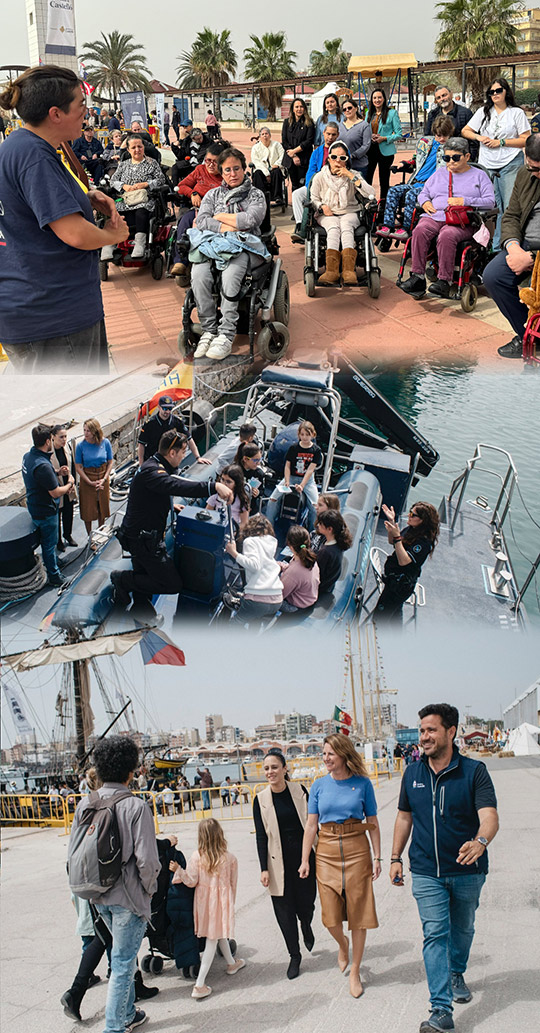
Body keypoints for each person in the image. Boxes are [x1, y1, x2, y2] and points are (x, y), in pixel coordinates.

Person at [0, 65, 128, 373]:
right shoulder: (35, 157)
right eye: (81, 106)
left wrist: (85, 196)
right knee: (73, 416)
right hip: (55, 319)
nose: (87, 113)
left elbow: (28, 206)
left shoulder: (18, 146)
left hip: (36, 310)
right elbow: (75, 234)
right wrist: (115, 235)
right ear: (56, 114)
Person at [390, 704, 499, 1033]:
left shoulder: (474, 771)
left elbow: (489, 816)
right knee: (434, 933)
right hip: (425, 869)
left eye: (431, 730)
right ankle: (441, 1010)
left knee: (462, 929)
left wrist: (481, 841)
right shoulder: (412, 773)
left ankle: (456, 972)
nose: (424, 736)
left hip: (468, 869)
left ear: (451, 732)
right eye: (421, 730)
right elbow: (404, 817)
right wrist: (395, 857)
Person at [68, 735, 161, 1033]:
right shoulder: (135, 807)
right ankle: (113, 1028)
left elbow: (73, 851)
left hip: (97, 895)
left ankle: (128, 1014)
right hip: (128, 898)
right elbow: (147, 861)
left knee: (123, 958)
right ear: (130, 771)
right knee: (122, 964)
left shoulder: (86, 803)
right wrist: (149, 890)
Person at [110, 430, 232, 616]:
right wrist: (212, 487)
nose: (185, 455)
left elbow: (155, 493)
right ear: (172, 453)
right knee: (171, 584)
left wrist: (171, 505)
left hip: (142, 535)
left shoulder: (157, 465)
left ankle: (141, 607)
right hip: (142, 539)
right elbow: (174, 485)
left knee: (145, 574)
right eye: (183, 452)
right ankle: (122, 580)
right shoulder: (153, 471)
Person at [299, 733, 381, 999]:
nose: (326, 758)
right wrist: (304, 860)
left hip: (358, 849)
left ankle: (355, 969)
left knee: (359, 912)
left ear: (344, 755)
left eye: (330, 754)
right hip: (327, 851)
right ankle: (342, 943)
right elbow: (311, 825)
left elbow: (373, 822)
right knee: (330, 917)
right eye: (324, 754)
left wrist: (378, 857)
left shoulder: (363, 784)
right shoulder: (319, 785)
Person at [190, 147, 268, 361]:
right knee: (198, 273)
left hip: (247, 247)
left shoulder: (256, 194)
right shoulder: (213, 194)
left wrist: (220, 217)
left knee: (232, 272)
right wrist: (228, 226)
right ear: (221, 172)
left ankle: (226, 333)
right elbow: (202, 221)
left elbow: (251, 221)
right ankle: (209, 329)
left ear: (244, 169)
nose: (232, 174)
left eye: (236, 169)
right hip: (214, 246)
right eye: (227, 170)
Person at [398, 138, 495, 300]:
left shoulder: (479, 176)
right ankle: (418, 277)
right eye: (446, 158)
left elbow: (490, 202)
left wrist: (465, 201)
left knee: (446, 234)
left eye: (455, 157)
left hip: (462, 220)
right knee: (420, 229)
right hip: (435, 215)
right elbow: (424, 193)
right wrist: (425, 201)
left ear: (467, 156)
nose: (450, 162)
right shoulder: (440, 173)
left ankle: (444, 280)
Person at [253, 749, 316, 979]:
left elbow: (312, 823)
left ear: (285, 769)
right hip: (277, 864)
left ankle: (306, 924)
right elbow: (261, 836)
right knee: (284, 912)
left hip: (304, 858)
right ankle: (294, 955)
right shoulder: (260, 800)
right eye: (267, 768)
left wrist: (307, 857)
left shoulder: (300, 791)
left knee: (307, 904)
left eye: (274, 767)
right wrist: (263, 869)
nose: (270, 772)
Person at [170, 818, 245, 999]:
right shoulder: (230, 859)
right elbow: (233, 884)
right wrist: (230, 903)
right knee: (213, 938)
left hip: (204, 905)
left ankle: (231, 963)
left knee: (217, 934)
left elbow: (191, 881)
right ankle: (199, 984)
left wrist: (179, 871)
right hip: (222, 903)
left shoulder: (197, 856)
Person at [482, 132, 540, 358]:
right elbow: (511, 216)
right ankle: (528, 332)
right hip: (524, 244)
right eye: (532, 167)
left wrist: (534, 258)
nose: (535, 174)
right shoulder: (525, 174)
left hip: (535, 253)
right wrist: (513, 247)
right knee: (493, 276)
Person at [462, 77, 530, 250]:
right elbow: (466, 131)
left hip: (511, 162)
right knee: (492, 207)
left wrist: (501, 142)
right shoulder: (483, 112)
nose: (495, 94)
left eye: (498, 90)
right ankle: (491, 245)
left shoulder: (516, 112)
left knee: (509, 207)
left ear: (506, 91)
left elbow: (526, 139)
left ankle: (505, 245)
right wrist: (479, 137)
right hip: (487, 164)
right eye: (491, 92)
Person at [378, 115, 454, 238]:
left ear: (450, 134)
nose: (441, 139)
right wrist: (404, 164)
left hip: (431, 186)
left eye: (444, 136)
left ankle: (406, 228)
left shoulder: (451, 149)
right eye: (438, 135)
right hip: (416, 181)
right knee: (392, 191)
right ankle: (388, 225)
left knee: (411, 194)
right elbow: (416, 159)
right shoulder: (426, 142)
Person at [310, 141, 373, 285]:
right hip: (327, 213)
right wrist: (322, 206)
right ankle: (331, 271)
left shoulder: (354, 175)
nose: (338, 161)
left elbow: (371, 194)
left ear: (347, 160)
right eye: (334, 157)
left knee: (346, 225)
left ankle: (348, 270)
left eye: (342, 158)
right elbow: (313, 198)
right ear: (328, 159)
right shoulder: (320, 177)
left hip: (350, 211)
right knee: (333, 227)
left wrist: (351, 176)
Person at [22, 424, 75, 586]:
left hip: (34, 506)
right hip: (46, 510)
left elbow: (41, 476)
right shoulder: (43, 466)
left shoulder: (28, 457)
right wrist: (69, 484)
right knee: (49, 543)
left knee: (48, 543)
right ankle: (54, 576)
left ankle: (53, 560)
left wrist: (58, 473)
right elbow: (55, 492)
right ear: (47, 441)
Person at [101, 134, 166, 261]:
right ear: (128, 150)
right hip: (126, 198)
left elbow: (161, 179)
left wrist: (146, 184)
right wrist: (124, 186)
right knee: (114, 212)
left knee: (141, 212)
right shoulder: (123, 165)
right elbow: (113, 181)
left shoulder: (152, 163)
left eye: (140, 146)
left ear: (143, 148)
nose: (137, 150)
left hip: (144, 199)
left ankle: (140, 244)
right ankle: (110, 243)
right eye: (134, 147)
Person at [374, 500, 440, 622]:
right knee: (394, 618)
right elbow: (392, 542)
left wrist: (397, 538)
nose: (409, 516)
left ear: (422, 520)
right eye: (410, 512)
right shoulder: (410, 529)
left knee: (379, 618)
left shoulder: (423, 543)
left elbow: (404, 561)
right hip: (392, 579)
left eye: (413, 515)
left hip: (399, 586)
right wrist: (392, 524)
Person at [169, 144, 225, 277]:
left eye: (215, 162)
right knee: (183, 222)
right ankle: (180, 261)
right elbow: (182, 186)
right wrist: (193, 193)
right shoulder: (200, 170)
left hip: (219, 212)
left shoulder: (227, 174)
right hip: (198, 209)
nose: (210, 165)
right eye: (208, 161)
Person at [224, 514, 283, 623]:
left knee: (235, 623)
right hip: (277, 599)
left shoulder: (250, 541)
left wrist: (234, 553)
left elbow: (255, 566)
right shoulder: (272, 542)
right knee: (254, 621)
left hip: (259, 600)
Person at [265, 422, 322, 530]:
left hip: (307, 481)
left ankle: (312, 531)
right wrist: (287, 481)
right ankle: (269, 528)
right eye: (302, 434)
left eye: (307, 434)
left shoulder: (316, 451)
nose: (304, 437)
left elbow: (310, 470)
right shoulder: (293, 448)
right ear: (299, 435)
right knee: (272, 499)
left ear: (313, 435)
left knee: (315, 507)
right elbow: (287, 466)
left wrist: (302, 485)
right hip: (291, 478)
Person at [291, 122, 340, 242]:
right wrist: (310, 187)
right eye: (328, 134)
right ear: (323, 133)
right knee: (297, 194)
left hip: (334, 187)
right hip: (317, 185)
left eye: (333, 135)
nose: (330, 137)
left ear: (337, 135)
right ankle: (300, 225)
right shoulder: (317, 152)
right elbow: (310, 172)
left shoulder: (341, 151)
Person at [137, 395, 211, 466]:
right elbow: (141, 444)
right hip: (152, 456)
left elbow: (189, 438)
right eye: (165, 409)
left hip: (168, 458)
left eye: (170, 409)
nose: (168, 412)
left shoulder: (176, 422)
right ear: (159, 407)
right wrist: (141, 464)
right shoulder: (150, 423)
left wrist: (198, 457)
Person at [74, 419, 113, 538]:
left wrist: (105, 479)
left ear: (95, 431)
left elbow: (110, 462)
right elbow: (78, 467)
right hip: (87, 479)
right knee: (88, 510)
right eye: (84, 430)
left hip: (102, 477)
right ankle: (90, 536)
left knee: (102, 508)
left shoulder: (105, 443)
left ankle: (100, 534)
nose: (86, 433)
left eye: (88, 430)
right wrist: (89, 482)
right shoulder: (80, 446)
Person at [365, 89, 402, 200]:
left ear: (384, 99)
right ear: (372, 100)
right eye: (375, 98)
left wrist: (384, 138)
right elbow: (365, 130)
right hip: (371, 150)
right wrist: (370, 135)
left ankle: (383, 205)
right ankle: (368, 202)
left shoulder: (392, 113)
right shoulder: (369, 113)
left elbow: (399, 134)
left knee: (384, 180)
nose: (377, 100)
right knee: (368, 178)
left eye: (379, 97)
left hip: (385, 151)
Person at [278, 525, 320, 612]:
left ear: (291, 547)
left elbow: (279, 595)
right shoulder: (311, 559)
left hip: (296, 606)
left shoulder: (293, 572)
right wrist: (284, 567)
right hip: (309, 599)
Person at [50, 424, 78, 551]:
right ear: (53, 437)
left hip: (68, 486)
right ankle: (58, 541)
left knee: (68, 512)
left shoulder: (67, 447)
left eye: (65, 436)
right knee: (57, 516)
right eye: (61, 437)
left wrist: (73, 483)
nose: (64, 439)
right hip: (56, 488)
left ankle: (68, 535)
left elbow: (73, 466)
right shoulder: (49, 451)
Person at [313, 509, 352, 597]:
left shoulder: (326, 552)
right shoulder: (337, 542)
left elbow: (317, 574)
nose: (318, 525)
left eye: (321, 524)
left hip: (322, 587)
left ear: (330, 529)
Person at [281, 99, 315, 190]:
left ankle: (303, 203)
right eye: (296, 107)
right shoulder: (286, 122)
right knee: (294, 184)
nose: (299, 109)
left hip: (304, 158)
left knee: (303, 183)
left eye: (301, 106)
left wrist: (295, 151)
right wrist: (293, 155)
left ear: (304, 108)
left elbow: (308, 141)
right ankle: (294, 203)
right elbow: (284, 141)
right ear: (292, 109)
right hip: (291, 159)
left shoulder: (309, 123)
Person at [206, 464, 249, 532]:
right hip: (218, 527)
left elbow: (244, 523)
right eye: (222, 479)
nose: (223, 484)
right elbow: (207, 515)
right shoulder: (214, 497)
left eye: (228, 482)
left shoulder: (241, 500)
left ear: (236, 484)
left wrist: (235, 533)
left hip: (234, 529)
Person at [250, 126, 285, 202]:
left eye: (266, 134)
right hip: (262, 170)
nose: (265, 136)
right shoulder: (255, 148)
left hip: (274, 168)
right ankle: (261, 197)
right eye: (262, 134)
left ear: (270, 135)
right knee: (257, 173)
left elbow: (282, 156)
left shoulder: (277, 145)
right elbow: (256, 162)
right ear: (260, 137)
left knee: (277, 171)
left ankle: (277, 197)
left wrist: (276, 165)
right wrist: (266, 173)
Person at [338, 98, 371, 175]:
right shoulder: (340, 126)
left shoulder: (364, 125)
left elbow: (366, 145)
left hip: (359, 166)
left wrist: (353, 155)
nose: (347, 110)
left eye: (349, 108)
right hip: (343, 165)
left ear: (356, 108)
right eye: (344, 109)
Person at [234, 442, 267, 512]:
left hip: (251, 505)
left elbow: (262, 490)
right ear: (245, 459)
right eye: (256, 460)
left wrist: (257, 493)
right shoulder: (234, 471)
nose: (258, 463)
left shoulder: (259, 474)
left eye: (260, 460)